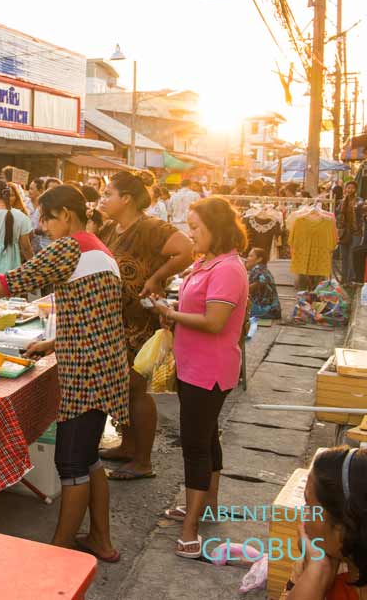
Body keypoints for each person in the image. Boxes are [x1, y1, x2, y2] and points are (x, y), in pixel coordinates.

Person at [0, 185, 129, 562]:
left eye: (47, 218)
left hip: (86, 370)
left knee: (71, 462)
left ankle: (59, 552)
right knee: (88, 458)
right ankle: (101, 540)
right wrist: (53, 344)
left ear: (66, 214)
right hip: (105, 365)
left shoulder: (71, 248)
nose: (44, 227)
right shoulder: (99, 248)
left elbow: (12, 281)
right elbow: (94, 313)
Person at [151, 196, 248, 559]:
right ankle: (207, 506)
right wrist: (174, 309)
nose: (190, 236)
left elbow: (215, 322)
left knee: (194, 445)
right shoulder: (207, 262)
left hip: (210, 369)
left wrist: (170, 314)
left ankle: (191, 529)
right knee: (207, 438)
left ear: (216, 230)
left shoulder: (227, 269)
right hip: (194, 364)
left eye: (196, 229)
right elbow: (198, 308)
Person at [96, 171, 194, 481]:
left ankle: (143, 460)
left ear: (126, 198)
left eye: (108, 194)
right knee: (120, 387)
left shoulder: (151, 227)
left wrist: (155, 278)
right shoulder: (112, 228)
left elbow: (186, 249)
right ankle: (126, 445)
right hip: (115, 319)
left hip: (139, 319)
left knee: (135, 388)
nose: (103, 200)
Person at [280, 446, 367, 600]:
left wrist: (315, 576)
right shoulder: (323, 555)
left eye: (310, 507)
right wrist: (317, 569)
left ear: (342, 529)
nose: (303, 518)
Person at [246, 247, 281, 320]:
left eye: (251, 256)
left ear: (259, 259)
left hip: (267, 311)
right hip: (274, 311)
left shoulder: (257, 269)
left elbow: (260, 283)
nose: (247, 258)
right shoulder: (263, 269)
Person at [338, 181, 361, 283]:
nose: (350, 190)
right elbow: (338, 214)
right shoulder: (342, 202)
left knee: (352, 256)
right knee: (344, 256)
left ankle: (351, 279)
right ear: (345, 189)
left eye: (352, 188)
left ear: (355, 189)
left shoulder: (359, 201)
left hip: (356, 232)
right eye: (348, 188)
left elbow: (361, 209)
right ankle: (344, 279)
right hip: (344, 232)